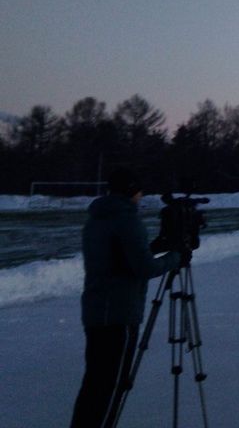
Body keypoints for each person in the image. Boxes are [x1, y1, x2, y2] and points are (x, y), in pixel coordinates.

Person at [69, 167, 183, 428]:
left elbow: (119, 258)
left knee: (95, 384)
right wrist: (175, 257)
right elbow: (143, 268)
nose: (141, 196)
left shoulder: (98, 218)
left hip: (97, 311)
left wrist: (155, 246)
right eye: (139, 191)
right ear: (132, 190)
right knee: (110, 387)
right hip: (119, 314)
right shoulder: (127, 220)